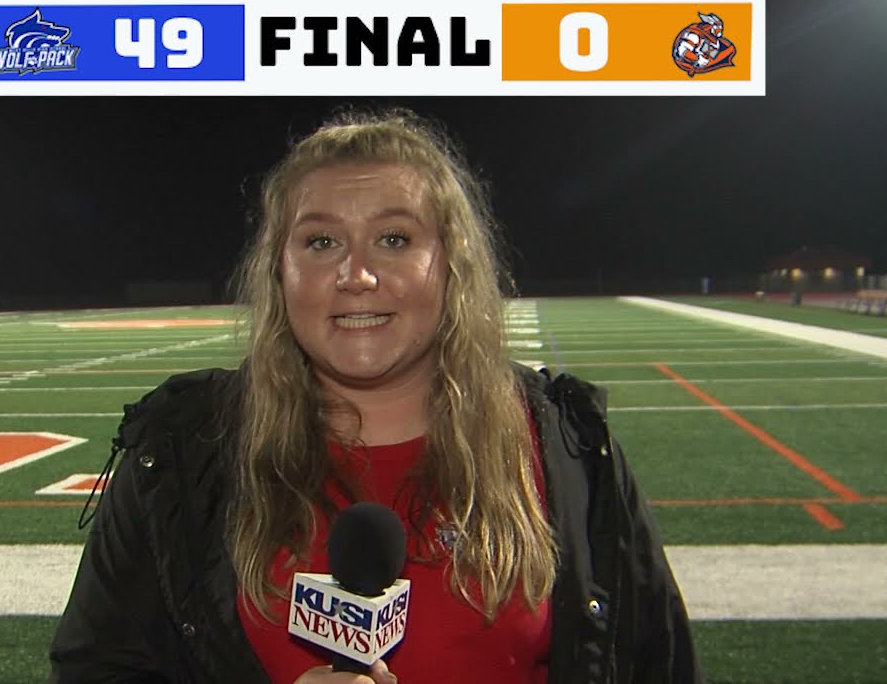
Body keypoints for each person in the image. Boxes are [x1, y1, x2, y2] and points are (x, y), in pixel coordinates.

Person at [48, 109, 703, 684]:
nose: (356, 275)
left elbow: (657, 664)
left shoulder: (569, 445)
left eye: (394, 239)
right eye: (321, 241)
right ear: (279, 271)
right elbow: (97, 670)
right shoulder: (182, 452)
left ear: (450, 264)